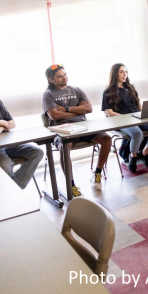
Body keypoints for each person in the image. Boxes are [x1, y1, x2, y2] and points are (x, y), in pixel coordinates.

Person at [42, 64, 112, 196]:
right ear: (51, 79)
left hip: (82, 127)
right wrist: (77, 112)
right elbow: (54, 115)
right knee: (64, 146)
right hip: (61, 130)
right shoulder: (48, 94)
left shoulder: (76, 90)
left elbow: (89, 109)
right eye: (59, 76)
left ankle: (97, 173)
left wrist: (66, 109)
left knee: (106, 138)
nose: (64, 78)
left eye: (65, 75)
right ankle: (71, 184)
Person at [102, 63, 148, 172]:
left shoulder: (130, 88)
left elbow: (139, 105)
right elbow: (109, 113)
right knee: (137, 133)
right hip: (120, 120)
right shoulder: (107, 92)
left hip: (136, 117)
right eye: (121, 72)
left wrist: (145, 113)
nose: (124, 74)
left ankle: (144, 153)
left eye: (126, 72)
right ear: (115, 74)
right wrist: (127, 118)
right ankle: (133, 157)